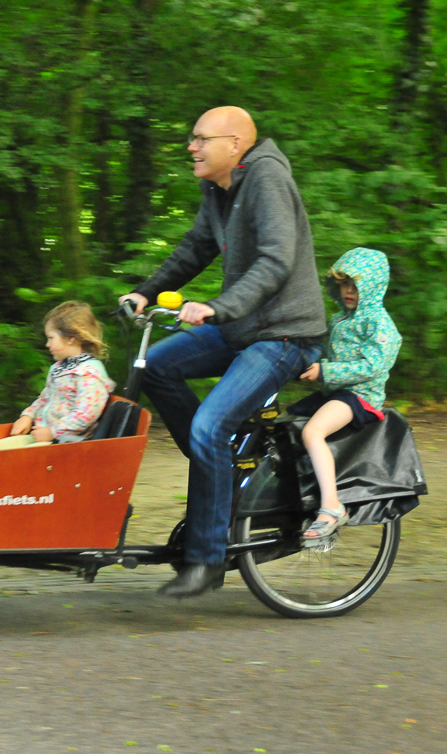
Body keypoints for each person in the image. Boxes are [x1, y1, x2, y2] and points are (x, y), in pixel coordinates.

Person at [118, 106, 327, 597]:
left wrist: (218, 307)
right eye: (191, 139)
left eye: (200, 139)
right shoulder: (218, 188)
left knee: (210, 426)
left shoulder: (267, 180)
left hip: (284, 335)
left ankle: (207, 560)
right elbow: (195, 248)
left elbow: (276, 261)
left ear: (235, 145)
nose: (191, 147)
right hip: (241, 327)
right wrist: (145, 292)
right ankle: (220, 466)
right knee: (157, 367)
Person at [289, 248, 402, 544]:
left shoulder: (381, 325)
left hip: (360, 397)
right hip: (336, 392)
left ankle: (332, 508)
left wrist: (325, 371)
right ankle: (296, 494)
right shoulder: (340, 319)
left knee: (313, 432)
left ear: (373, 287)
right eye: (344, 284)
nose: (349, 291)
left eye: (356, 285)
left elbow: (372, 366)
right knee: (286, 424)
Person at [0, 301, 115, 451]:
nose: (47, 344)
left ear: (70, 338)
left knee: (19, 456)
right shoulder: (59, 368)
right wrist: (28, 416)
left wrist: (53, 432)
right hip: (45, 434)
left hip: (69, 441)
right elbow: (45, 398)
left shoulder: (88, 373)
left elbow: (86, 414)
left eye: (51, 338)